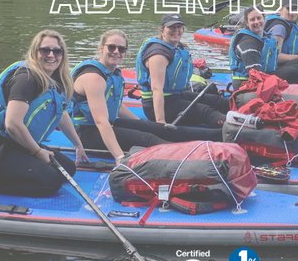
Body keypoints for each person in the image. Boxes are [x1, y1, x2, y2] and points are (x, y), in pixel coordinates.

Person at [0, 29, 88, 196]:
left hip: (17, 144)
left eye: (57, 51)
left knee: (68, 170)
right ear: (35, 52)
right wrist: (38, 152)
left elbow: (61, 113)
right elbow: (13, 124)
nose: (51, 55)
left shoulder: (55, 80)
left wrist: (77, 144)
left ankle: (10, 172)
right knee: (50, 182)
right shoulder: (27, 79)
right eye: (45, 50)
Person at [71, 29, 220, 162]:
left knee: (163, 130)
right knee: (149, 139)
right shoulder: (94, 78)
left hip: (110, 124)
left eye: (121, 49)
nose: (116, 51)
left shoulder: (111, 72)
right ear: (101, 48)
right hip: (88, 133)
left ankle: (223, 136)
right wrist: (119, 157)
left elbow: (115, 105)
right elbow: (101, 122)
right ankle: (202, 158)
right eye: (111, 47)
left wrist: (143, 124)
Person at [135, 13, 228, 128]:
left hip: (175, 96)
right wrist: (160, 121)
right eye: (172, 27)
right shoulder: (158, 55)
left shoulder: (177, 47)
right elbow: (156, 89)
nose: (176, 30)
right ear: (162, 29)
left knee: (219, 102)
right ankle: (237, 130)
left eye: (179, 27)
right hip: (158, 106)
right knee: (207, 112)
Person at [230, 6, 298, 88]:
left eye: (259, 18)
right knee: (296, 71)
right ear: (247, 23)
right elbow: (255, 75)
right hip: (246, 82)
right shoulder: (248, 43)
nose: (256, 22)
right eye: (252, 20)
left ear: (264, 18)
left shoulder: (265, 36)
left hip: (266, 73)